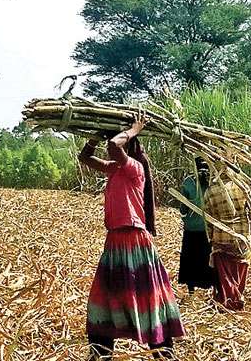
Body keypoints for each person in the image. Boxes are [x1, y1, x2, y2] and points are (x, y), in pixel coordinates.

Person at [78, 120, 184, 360]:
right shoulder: (114, 168)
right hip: (115, 243)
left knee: (148, 300)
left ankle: (163, 354)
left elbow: (114, 146)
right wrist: (95, 136)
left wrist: (135, 129)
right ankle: (100, 355)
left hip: (135, 242)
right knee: (102, 301)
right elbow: (85, 157)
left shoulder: (135, 168)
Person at [202, 166, 251, 311]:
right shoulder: (242, 187)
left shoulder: (210, 191)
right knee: (239, 272)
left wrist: (210, 238)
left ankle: (229, 301)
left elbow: (208, 220)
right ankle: (236, 299)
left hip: (221, 239)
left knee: (225, 275)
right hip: (242, 238)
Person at [177, 158, 217, 294]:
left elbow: (183, 209)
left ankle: (191, 290)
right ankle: (211, 288)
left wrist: (186, 218)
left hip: (192, 229)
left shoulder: (189, 182)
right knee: (208, 258)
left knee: (191, 259)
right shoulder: (214, 182)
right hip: (209, 230)